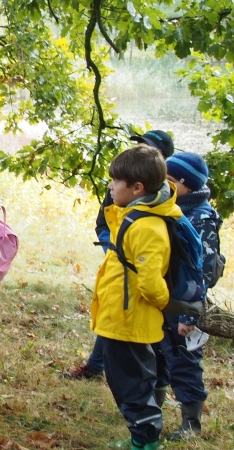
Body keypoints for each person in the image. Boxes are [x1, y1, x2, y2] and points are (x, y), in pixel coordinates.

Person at [92, 144, 184, 450]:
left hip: (130, 321)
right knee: (126, 381)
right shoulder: (135, 215)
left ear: (137, 188)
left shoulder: (146, 226)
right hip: (120, 317)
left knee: (133, 385)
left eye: (116, 182)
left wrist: (163, 305)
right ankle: (138, 439)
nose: (110, 187)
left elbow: (150, 282)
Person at [65, 129, 176, 380]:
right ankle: (96, 366)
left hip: (138, 305)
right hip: (118, 253)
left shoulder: (151, 213)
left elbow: (151, 279)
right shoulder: (124, 186)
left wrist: (165, 301)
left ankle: (149, 395)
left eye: (146, 148)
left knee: (135, 375)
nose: (138, 151)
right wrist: (113, 246)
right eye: (137, 146)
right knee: (115, 317)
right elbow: (105, 218)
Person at [158, 152, 222, 440]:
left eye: (170, 180)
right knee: (157, 356)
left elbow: (203, 270)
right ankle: (151, 413)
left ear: (187, 184)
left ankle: (191, 424)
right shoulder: (169, 207)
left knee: (184, 360)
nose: (164, 184)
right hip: (161, 297)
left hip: (183, 302)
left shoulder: (202, 217)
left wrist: (189, 314)